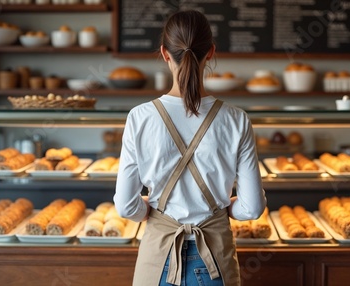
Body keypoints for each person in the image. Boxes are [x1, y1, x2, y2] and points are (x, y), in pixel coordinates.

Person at [114, 10, 266, 286]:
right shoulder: (236, 119)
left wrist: (148, 211)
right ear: (210, 53)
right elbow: (253, 208)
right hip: (214, 262)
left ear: (164, 53)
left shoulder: (140, 117)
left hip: (157, 259)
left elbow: (125, 206)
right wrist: (229, 209)